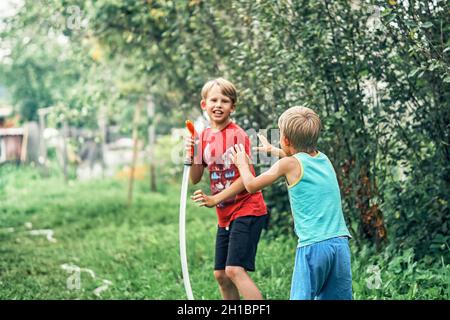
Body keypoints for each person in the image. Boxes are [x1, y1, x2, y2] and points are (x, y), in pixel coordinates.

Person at [229, 106, 352, 300]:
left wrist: (242, 165)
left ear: (286, 140)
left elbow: (251, 185)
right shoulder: (323, 159)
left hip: (313, 246)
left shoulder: (288, 164)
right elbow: (299, 159)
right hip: (340, 243)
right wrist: (274, 150)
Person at [185, 78, 268, 300]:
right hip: (226, 215)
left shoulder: (237, 135)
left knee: (234, 270)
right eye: (213, 100)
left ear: (233, 106)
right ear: (204, 105)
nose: (218, 105)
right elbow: (195, 178)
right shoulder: (203, 137)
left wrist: (215, 198)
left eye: (225, 100)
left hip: (248, 209)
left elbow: (246, 178)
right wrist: (193, 154)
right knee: (221, 274)